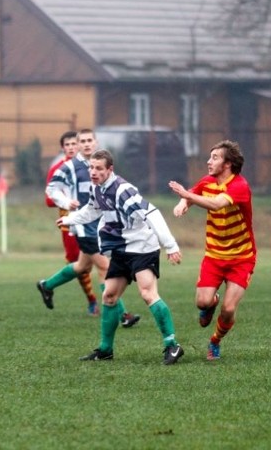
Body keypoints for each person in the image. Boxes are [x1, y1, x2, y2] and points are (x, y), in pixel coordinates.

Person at [58, 149, 184, 364]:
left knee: (147, 294)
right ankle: (105, 349)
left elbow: (152, 212)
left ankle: (172, 345)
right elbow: (91, 211)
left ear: (110, 170)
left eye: (99, 168)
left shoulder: (123, 190)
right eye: (91, 167)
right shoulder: (97, 189)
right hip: (121, 250)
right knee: (109, 296)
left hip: (143, 248)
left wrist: (170, 246)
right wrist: (70, 219)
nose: (94, 172)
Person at [37, 128, 140, 328]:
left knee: (81, 266)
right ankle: (123, 314)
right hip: (83, 226)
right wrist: (66, 202)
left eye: (89, 140)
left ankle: (46, 285)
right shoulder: (69, 167)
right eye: (81, 141)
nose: (85, 144)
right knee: (105, 266)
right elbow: (51, 189)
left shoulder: (101, 164)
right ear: (78, 144)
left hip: (100, 224)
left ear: (95, 142)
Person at [169, 140, 256, 361]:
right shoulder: (208, 181)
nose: (209, 161)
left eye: (215, 157)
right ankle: (210, 303)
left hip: (241, 258)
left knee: (228, 309)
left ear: (228, 164)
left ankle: (215, 341)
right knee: (202, 303)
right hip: (214, 256)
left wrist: (186, 196)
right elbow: (193, 193)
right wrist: (183, 204)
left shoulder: (239, 186)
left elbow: (216, 204)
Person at [45, 130, 98, 316]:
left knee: (86, 264)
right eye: (67, 145)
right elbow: (49, 197)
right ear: (63, 148)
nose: (71, 147)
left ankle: (47, 285)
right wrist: (68, 201)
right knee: (90, 263)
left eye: (73, 144)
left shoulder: (94, 165)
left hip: (94, 220)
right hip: (71, 222)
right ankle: (97, 302)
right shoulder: (61, 169)